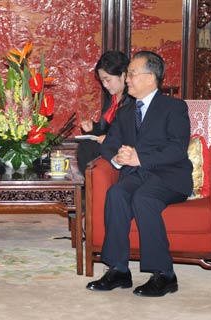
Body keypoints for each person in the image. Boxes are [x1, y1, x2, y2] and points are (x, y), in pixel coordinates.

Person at [85, 51, 193, 297]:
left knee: (144, 198)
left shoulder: (174, 107)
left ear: (151, 77)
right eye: (128, 75)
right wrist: (117, 158)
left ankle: (164, 274)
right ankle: (119, 269)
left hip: (169, 176)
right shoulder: (125, 112)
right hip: (136, 175)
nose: (128, 79)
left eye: (132, 74)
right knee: (116, 194)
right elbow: (110, 143)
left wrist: (140, 158)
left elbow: (177, 148)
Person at [77, 51, 135, 175]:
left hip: (124, 148)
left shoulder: (133, 100)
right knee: (86, 146)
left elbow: (131, 133)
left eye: (108, 80)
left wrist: (109, 140)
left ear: (123, 75)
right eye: (102, 81)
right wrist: (93, 127)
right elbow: (106, 128)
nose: (105, 85)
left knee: (89, 148)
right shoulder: (111, 98)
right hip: (109, 144)